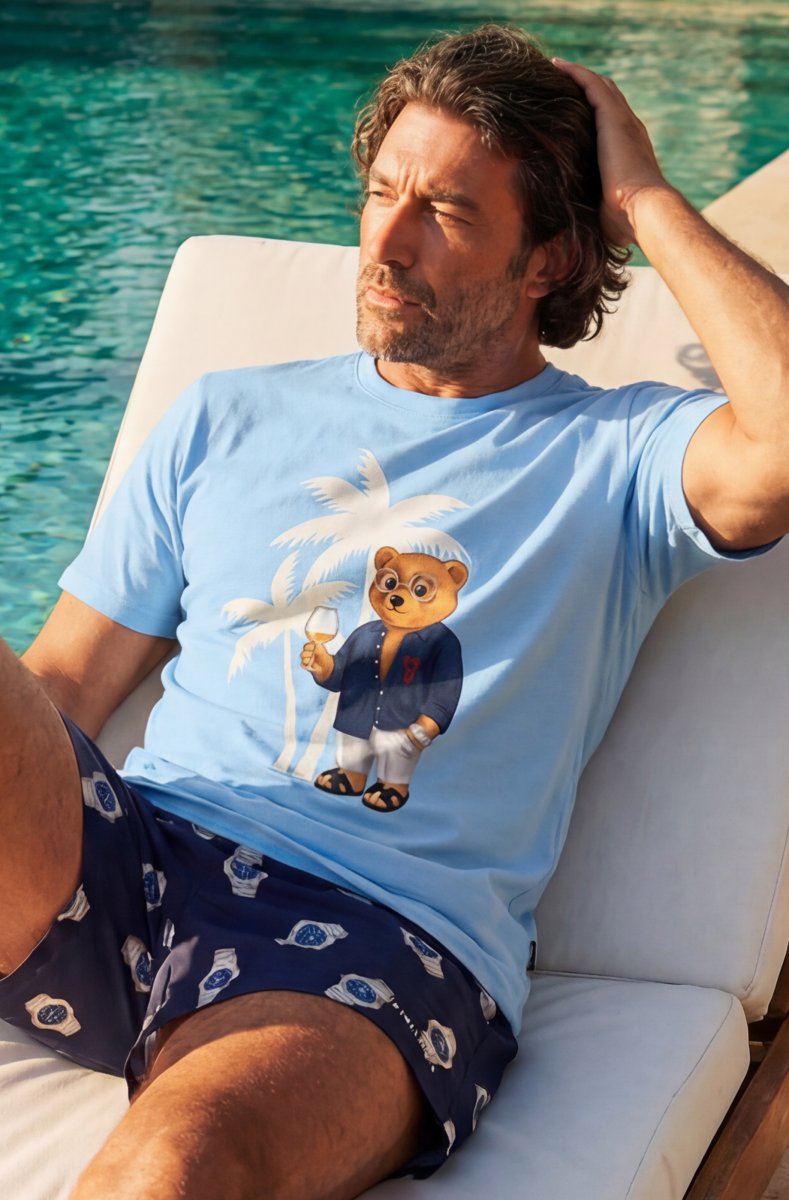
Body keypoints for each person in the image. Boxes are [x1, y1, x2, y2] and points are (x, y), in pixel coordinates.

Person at [1, 22, 788, 1200]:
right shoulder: (225, 416)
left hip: (373, 937)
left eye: (448, 213)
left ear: (549, 260)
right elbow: (60, 684)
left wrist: (645, 198)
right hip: (135, 859)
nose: (387, 240)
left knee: (179, 1164)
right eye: (382, 193)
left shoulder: (618, 457)